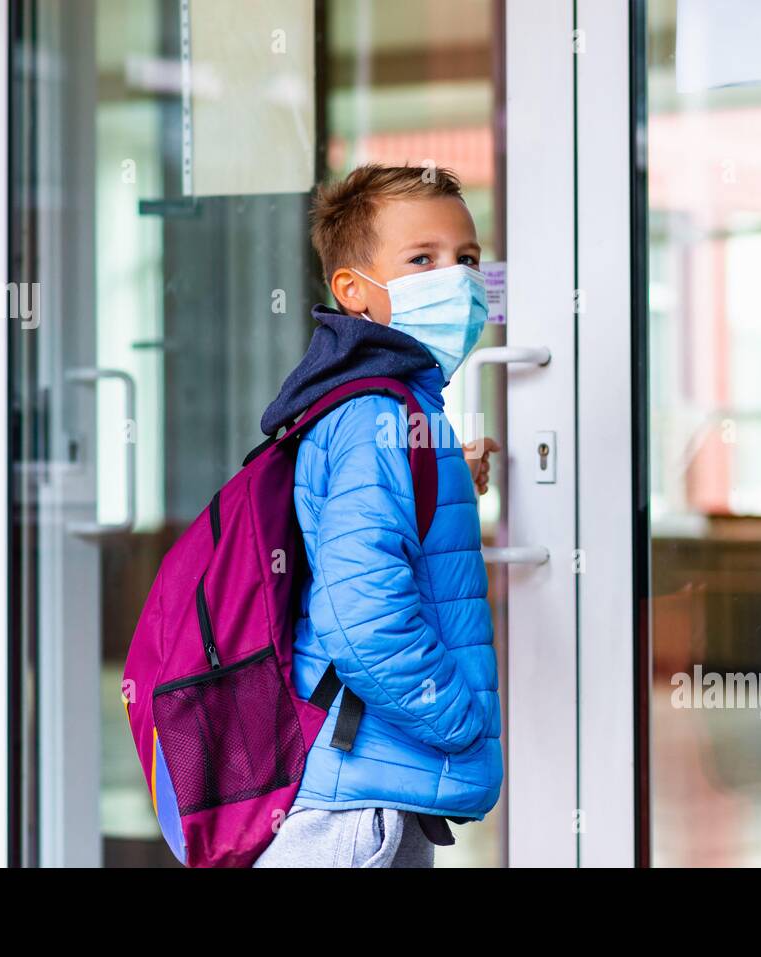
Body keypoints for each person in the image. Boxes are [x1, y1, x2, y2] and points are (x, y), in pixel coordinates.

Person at [252, 164, 503, 867]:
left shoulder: (393, 406)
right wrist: (458, 719)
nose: (456, 278)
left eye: (468, 259)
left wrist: (450, 477)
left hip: (370, 775)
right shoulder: (377, 415)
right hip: (356, 796)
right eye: (422, 259)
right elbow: (361, 616)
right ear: (353, 293)